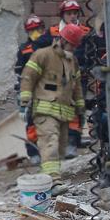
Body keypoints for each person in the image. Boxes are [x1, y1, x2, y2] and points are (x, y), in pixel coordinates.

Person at [20, 23, 86, 177]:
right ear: (62, 40)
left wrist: (80, 105)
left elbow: (76, 86)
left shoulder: (72, 61)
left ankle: (48, 178)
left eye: (75, 46)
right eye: (71, 45)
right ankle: (53, 181)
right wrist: (25, 100)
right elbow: (28, 76)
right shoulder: (43, 55)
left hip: (64, 112)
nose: (73, 49)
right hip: (45, 109)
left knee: (60, 148)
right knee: (50, 143)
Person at [15, 15, 46, 164]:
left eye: (38, 29)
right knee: (32, 124)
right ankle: (33, 153)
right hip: (32, 92)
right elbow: (19, 75)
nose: (36, 33)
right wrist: (21, 100)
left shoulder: (50, 46)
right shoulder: (24, 50)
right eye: (32, 30)